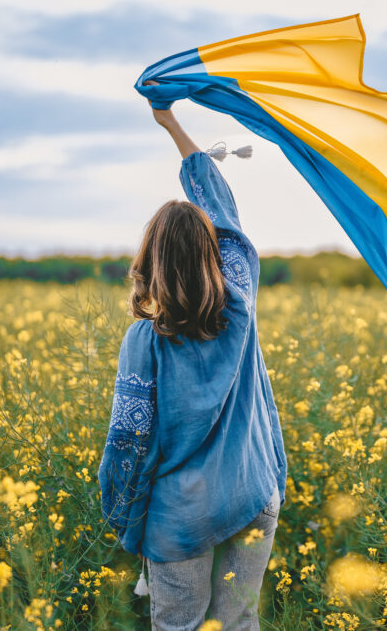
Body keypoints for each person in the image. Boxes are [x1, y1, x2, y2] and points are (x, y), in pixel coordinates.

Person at [98, 92, 287, 631]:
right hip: (253, 496)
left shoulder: (145, 342)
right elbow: (225, 214)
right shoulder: (240, 305)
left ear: (149, 263)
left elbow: (128, 443)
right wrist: (172, 125)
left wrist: (124, 520)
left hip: (180, 517)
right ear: (213, 255)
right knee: (239, 623)